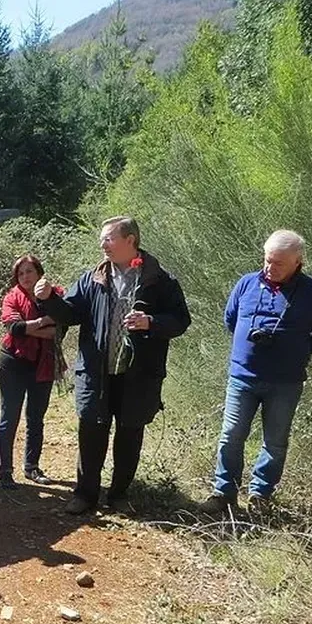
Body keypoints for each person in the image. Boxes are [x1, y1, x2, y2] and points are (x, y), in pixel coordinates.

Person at [36, 216, 191, 514]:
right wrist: (48, 300)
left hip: (138, 376)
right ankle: (85, 495)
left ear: (130, 240)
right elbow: (70, 313)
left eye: (109, 238)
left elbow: (181, 320)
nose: (102, 244)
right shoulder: (93, 277)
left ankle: (119, 494)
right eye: (102, 239)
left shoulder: (159, 280)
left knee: (130, 434)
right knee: (91, 432)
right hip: (97, 373)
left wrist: (151, 322)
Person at [199, 230, 312, 516]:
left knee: (275, 440)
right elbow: (231, 320)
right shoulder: (247, 284)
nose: (270, 268)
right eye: (267, 260)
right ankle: (223, 493)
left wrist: (296, 350)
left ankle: (261, 496)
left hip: (285, 381)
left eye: (278, 264)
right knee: (231, 436)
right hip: (242, 377)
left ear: (298, 261)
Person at [0, 255, 64, 490]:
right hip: (13, 364)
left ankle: (32, 467)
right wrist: (44, 322)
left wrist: (30, 327)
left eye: (30, 272)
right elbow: (14, 328)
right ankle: (4, 470)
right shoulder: (11, 298)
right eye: (21, 273)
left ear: (39, 273)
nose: (25, 277)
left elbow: (60, 327)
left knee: (36, 418)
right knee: (9, 418)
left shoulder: (53, 295)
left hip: (42, 364)